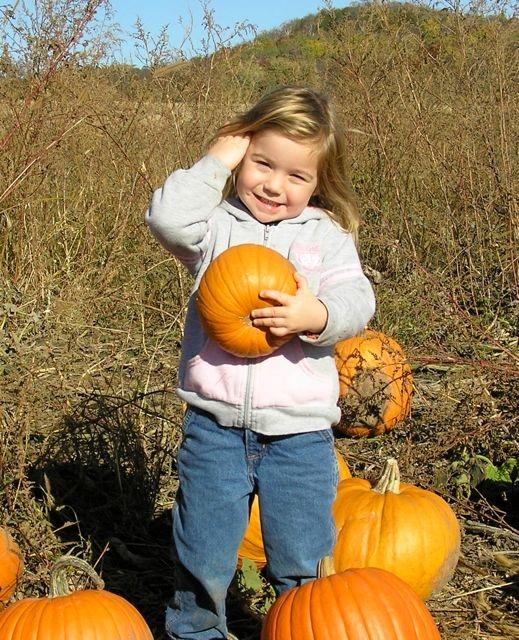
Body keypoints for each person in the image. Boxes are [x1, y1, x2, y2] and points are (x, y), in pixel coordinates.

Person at [145, 85, 376, 640]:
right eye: (262, 163)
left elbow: (357, 301)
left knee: (302, 560)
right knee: (201, 552)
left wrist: (314, 313)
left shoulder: (328, 236)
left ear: (319, 182)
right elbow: (166, 218)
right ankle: (196, 631)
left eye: (296, 176)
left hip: (299, 435)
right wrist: (217, 159)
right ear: (243, 152)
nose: (274, 185)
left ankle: (301, 629)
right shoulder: (214, 226)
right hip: (214, 427)